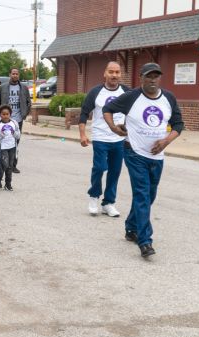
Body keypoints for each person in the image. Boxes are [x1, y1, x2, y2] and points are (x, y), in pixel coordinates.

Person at [102, 63, 184, 258]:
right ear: (141, 78)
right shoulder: (132, 97)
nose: (153, 80)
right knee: (142, 195)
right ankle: (145, 241)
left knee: (150, 196)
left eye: (156, 76)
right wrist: (114, 128)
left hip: (157, 156)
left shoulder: (168, 98)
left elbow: (179, 124)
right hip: (134, 153)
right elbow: (107, 109)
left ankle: (131, 228)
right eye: (149, 76)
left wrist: (165, 141)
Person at [78, 61, 131, 218]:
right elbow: (84, 113)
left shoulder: (127, 92)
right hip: (100, 137)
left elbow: (134, 113)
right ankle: (94, 196)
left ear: (120, 74)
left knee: (115, 171)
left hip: (119, 139)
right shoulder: (96, 92)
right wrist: (82, 134)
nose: (114, 75)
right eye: (111, 72)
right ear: (105, 73)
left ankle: (108, 203)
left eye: (117, 72)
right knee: (100, 168)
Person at [0, 68, 30, 174]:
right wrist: (1, 113)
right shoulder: (3, 87)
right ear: (10, 74)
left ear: (18, 75)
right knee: (4, 141)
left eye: (16, 74)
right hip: (6, 120)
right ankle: (3, 163)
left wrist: (24, 113)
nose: (15, 75)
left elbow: (28, 102)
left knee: (16, 142)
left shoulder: (24, 88)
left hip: (18, 120)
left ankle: (13, 165)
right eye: (13, 73)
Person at [0, 105, 21, 191]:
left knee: (10, 166)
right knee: (4, 165)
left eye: (7, 114)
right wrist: (1, 135)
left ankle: (8, 184)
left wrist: (13, 132)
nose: (5, 116)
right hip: (1, 148)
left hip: (12, 147)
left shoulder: (14, 123)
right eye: (3, 114)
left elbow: (18, 136)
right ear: (0, 115)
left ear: (10, 114)